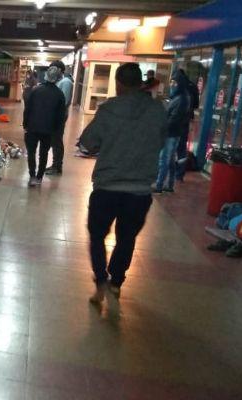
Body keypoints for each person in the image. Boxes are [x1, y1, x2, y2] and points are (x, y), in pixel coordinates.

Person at [80, 63, 166, 303]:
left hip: (107, 186)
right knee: (126, 238)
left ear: (118, 83)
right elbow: (161, 141)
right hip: (139, 191)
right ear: (140, 83)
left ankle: (100, 281)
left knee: (97, 236)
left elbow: (88, 142)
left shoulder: (109, 109)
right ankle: (116, 283)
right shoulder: (157, 110)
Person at [22, 66, 66, 187]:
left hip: (32, 127)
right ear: (58, 78)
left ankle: (32, 176)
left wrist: (25, 123)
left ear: (46, 76)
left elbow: (27, 109)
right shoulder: (59, 94)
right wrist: (56, 129)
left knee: (31, 152)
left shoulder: (36, 91)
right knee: (44, 153)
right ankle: (39, 177)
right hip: (48, 129)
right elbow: (60, 116)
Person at [155, 72, 191, 194]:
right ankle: (169, 185)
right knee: (169, 160)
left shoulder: (181, 99)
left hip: (170, 134)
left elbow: (174, 118)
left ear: (180, 84)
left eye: (174, 82)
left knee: (164, 160)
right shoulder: (178, 96)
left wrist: (162, 129)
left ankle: (159, 185)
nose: (172, 84)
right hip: (174, 133)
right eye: (171, 82)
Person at [47, 60, 73, 176]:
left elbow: (64, 101)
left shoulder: (66, 82)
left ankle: (57, 167)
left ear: (60, 70)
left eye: (53, 68)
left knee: (56, 140)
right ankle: (54, 165)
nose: (51, 71)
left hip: (59, 116)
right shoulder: (57, 82)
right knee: (54, 140)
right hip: (53, 115)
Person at [176, 68, 200, 182]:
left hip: (176, 120)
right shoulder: (193, 86)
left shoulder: (178, 86)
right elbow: (196, 104)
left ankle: (168, 174)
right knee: (182, 147)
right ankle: (179, 174)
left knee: (171, 146)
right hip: (186, 120)